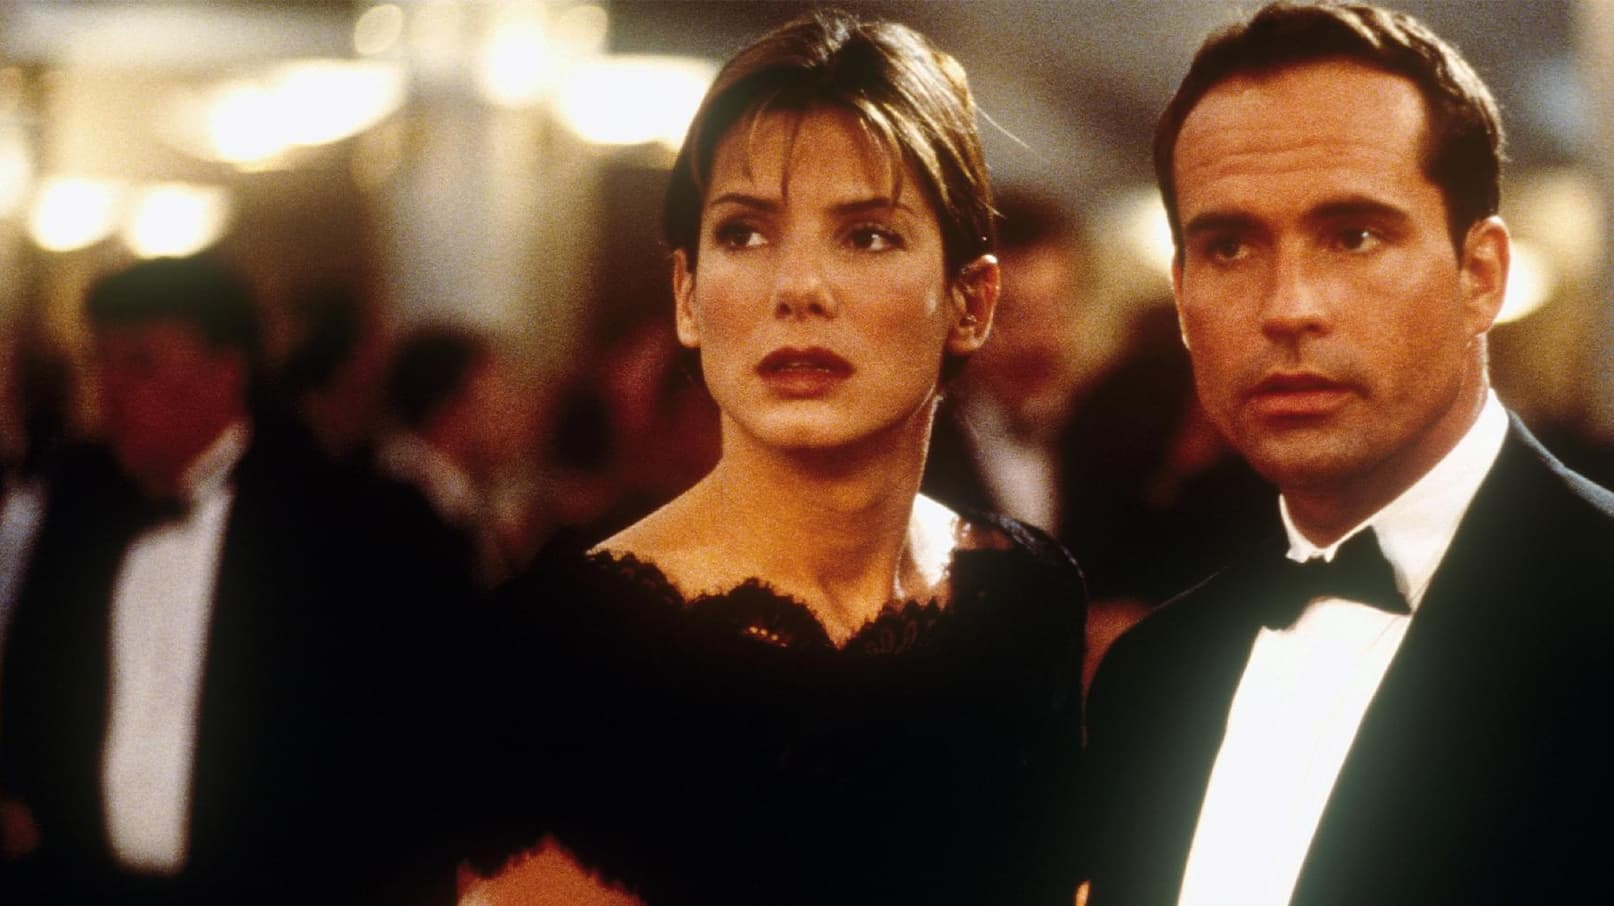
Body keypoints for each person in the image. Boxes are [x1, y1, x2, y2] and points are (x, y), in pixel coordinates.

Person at [463, 10, 1087, 905]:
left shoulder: (1022, 598)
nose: (798, 288)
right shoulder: (560, 651)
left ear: (971, 302)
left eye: (867, 235)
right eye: (745, 234)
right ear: (688, 296)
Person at [1082, 4, 1614, 905]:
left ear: (1480, 275)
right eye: (1228, 246)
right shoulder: (1152, 675)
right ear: (1181, 297)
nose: (1288, 306)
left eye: (1354, 235)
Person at [0, 255, 459, 904]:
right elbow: (34, 689)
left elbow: (405, 754)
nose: (110, 390)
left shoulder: (348, 525)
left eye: (141, 363)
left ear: (227, 371)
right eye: (99, 363)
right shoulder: (81, 507)